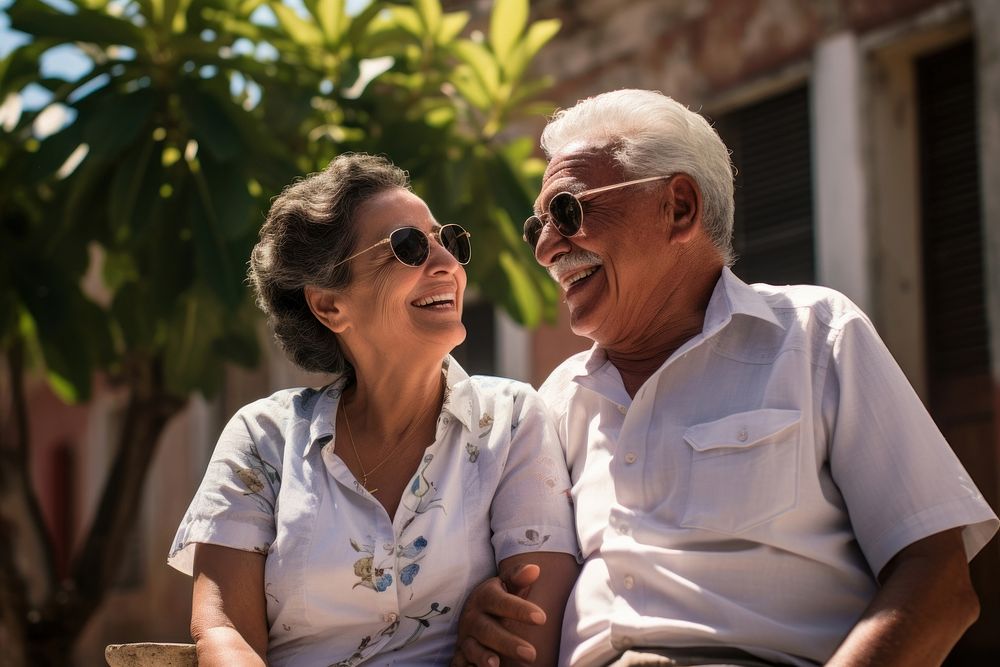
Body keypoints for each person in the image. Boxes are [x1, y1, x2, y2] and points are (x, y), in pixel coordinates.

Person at [452, 89, 999, 667]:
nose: (545, 249)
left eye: (566, 211)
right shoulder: (555, 402)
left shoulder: (813, 335)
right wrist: (482, 608)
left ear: (679, 208)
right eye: (536, 225)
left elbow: (938, 583)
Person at [167, 153, 579, 667]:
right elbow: (225, 633)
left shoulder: (512, 419)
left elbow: (529, 637)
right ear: (329, 306)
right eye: (408, 248)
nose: (448, 265)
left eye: (448, 242)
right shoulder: (263, 438)